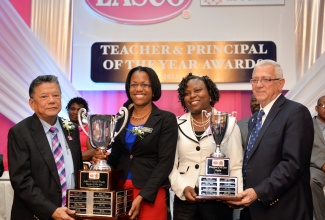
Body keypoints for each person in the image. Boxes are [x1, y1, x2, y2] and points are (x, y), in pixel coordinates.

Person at [229, 60, 314, 220]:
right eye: (254, 80)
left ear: (280, 84)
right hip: (253, 209)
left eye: (266, 79)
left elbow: (293, 165)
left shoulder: (296, 113)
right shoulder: (255, 119)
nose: (259, 85)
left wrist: (258, 192)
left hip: (284, 209)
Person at [94, 66, 178, 220]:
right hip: (120, 192)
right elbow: (118, 155)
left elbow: (166, 162)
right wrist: (102, 159)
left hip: (150, 192)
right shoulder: (119, 119)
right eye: (134, 84)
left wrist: (142, 196)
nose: (139, 89)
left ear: (153, 90)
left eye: (145, 84)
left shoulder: (166, 119)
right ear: (128, 88)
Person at [168, 73, 243, 220]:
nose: (192, 96)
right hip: (185, 199)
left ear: (210, 93)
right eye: (187, 93)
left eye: (197, 90)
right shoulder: (175, 125)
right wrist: (183, 188)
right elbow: (169, 164)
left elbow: (236, 163)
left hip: (218, 198)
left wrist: (237, 194)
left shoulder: (229, 123)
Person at [7, 75, 83, 220]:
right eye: (44, 96)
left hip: (70, 214)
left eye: (56, 95)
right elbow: (21, 180)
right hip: (35, 215)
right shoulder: (20, 132)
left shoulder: (71, 129)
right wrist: (52, 211)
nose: (51, 100)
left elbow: (76, 171)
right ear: (32, 103)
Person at [310, 95, 325, 220]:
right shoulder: (307, 125)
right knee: (311, 180)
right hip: (317, 168)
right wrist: (322, 164)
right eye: (323, 105)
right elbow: (305, 150)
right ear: (316, 108)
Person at [66, 97, 95, 161]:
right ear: (68, 110)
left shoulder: (89, 129)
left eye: (79, 110)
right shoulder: (61, 127)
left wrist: (69, 158)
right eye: (72, 109)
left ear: (85, 113)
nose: (75, 112)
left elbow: (92, 151)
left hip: (84, 165)